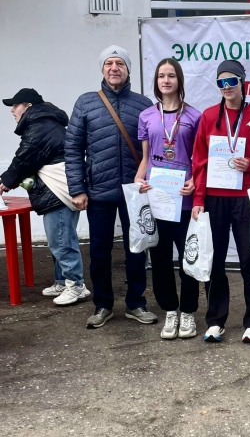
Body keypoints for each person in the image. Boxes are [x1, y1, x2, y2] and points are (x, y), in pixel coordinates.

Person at [65, 45, 158, 329]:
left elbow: (154, 148)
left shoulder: (143, 104)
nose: (114, 68)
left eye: (120, 63)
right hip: (98, 191)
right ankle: (103, 304)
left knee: (137, 249)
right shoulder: (86, 103)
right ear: (103, 69)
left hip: (134, 191)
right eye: (109, 63)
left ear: (128, 69)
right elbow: (73, 149)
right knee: (99, 251)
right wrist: (77, 189)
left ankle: (136, 303)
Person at [191, 60, 250, 343]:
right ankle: (215, 320)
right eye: (221, 82)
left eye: (231, 81)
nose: (226, 87)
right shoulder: (209, 115)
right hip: (215, 198)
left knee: (249, 259)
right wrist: (199, 198)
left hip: (245, 198)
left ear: (242, 82)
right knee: (215, 261)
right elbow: (199, 161)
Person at [0, 88, 90, 306]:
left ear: (28, 106)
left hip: (58, 190)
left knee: (61, 240)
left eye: (15, 105)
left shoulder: (40, 126)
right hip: (58, 189)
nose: (12, 110)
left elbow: (24, 159)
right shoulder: (45, 123)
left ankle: (76, 285)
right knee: (60, 238)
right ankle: (62, 281)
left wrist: (5, 181)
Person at [135, 58, 202, 340]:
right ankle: (170, 310)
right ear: (156, 81)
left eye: (171, 75)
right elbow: (145, 158)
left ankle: (188, 312)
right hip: (158, 199)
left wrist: (195, 180)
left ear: (179, 80)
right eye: (161, 76)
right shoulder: (147, 116)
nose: (166, 80)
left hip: (184, 200)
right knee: (160, 259)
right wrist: (139, 180)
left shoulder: (194, 116)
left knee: (189, 257)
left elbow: (199, 158)